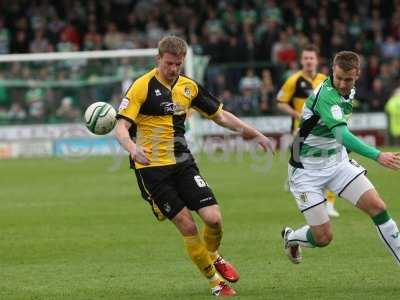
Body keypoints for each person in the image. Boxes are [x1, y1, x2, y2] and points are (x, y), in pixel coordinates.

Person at [115, 36, 273, 297]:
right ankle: (216, 283)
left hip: (183, 162)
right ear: (158, 60)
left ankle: (212, 255)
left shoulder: (189, 88)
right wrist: (133, 148)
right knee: (188, 227)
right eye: (168, 63)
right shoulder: (141, 87)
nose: (173, 69)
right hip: (151, 169)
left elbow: (221, 116)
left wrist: (253, 133)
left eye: (178, 64)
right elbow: (121, 127)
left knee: (214, 219)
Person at [282, 51, 400, 266]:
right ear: (332, 71)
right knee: (324, 238)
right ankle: (291, 238)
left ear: (357, 75)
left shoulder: (350, 90)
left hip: (337, 163)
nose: (343, 84)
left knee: (378, 208)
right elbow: (341, 135)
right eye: (339, 78)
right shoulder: (326, 95)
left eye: (348, 79)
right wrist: (377, 155)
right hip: (306, 170)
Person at [276, 44, 340, 217]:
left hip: (322, 130)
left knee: (328, 162)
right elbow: (280, 102)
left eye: (312, 58)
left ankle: (329, 203)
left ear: (317, 60)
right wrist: (296, 113)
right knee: (300, 161)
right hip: (300, 129)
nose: (309, 61)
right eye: (306, 58)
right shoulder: (293, 80)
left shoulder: (326, 80)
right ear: (301, 60)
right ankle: (296, 179)